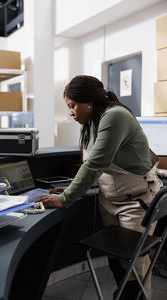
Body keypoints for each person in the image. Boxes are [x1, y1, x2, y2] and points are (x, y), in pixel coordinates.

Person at [38, 75, 162, 299]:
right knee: (114, 259)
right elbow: (92, 164)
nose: (71, 112)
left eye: (73, 105)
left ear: (89, 102)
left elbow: (97, 163)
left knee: (133, 264)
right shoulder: (91, 123)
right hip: (110, 199)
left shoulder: (115, 116)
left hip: (135, 202)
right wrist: (68, 187)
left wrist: (66, 198)